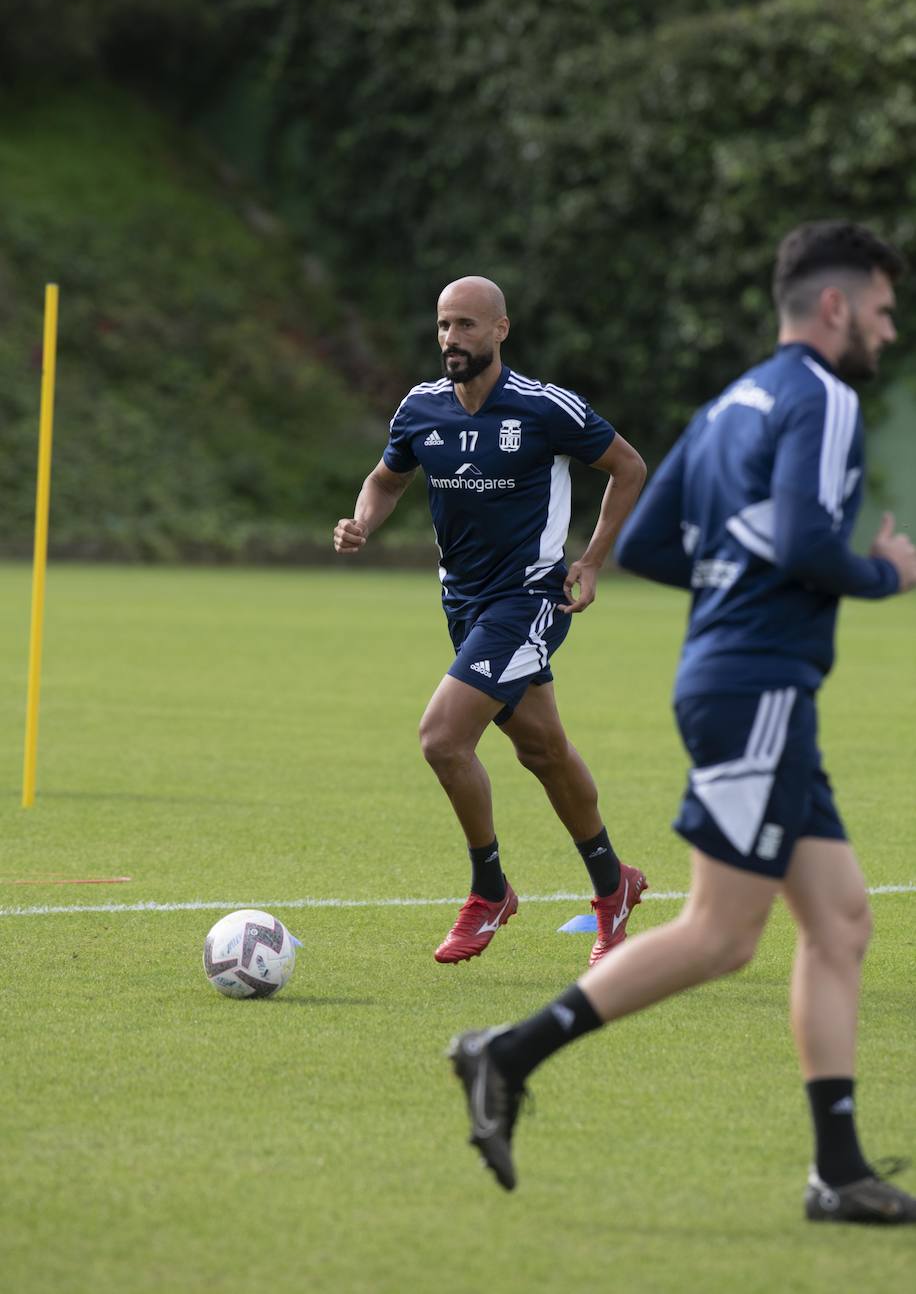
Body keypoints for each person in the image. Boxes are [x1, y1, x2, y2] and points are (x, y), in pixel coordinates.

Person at [447, 223, 916, 1223]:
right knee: (720, 934)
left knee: (838, 922)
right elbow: (802, 539)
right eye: (881, 308)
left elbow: (654, 540)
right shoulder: (824, 398)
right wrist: (885, 573)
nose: (886, 327)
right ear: (834, 306)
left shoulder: (734, 399)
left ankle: (836, 1172)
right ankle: (506, 1053)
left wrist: (741, 566)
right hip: (753, 688)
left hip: (749, 685)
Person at [334, 275, 648, 965]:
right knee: (543, 751)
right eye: (445, 326)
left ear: (501, 329)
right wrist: (363, 521)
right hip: (464, 605)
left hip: (531, 600)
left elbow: (628, 467)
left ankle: (489, 889)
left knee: (442, 738)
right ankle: (613, 884)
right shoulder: (420, 409)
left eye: (468, 326)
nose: (452, 339)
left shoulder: (543, 408)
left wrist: (592, 562)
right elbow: (386, 480)